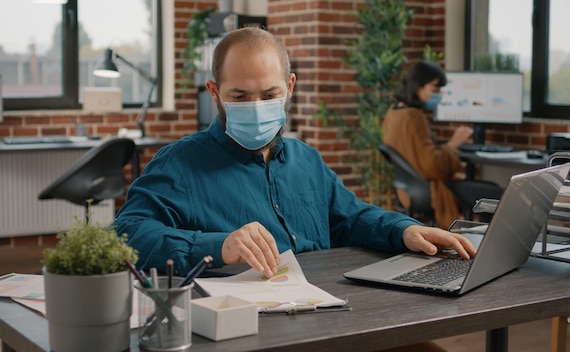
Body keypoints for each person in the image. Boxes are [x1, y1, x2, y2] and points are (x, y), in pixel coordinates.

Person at [113, 28, 476, 282]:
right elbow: (126, 235)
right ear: (214, 92)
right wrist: (218, 246)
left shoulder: (307, 160)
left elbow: (349, 218)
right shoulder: (179, 165)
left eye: (269, 94)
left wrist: (406, 229)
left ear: (289, 88)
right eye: (239, 97)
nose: (256, 107)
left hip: (333, 315)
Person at [382, 61, 504, 229]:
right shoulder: (413, 117)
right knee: (497, 195)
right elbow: (432, 166)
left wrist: (447, 149)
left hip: (410, 188)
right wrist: (452, 144)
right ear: (418, 88)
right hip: (429, 189)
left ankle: (482, 239)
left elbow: (419, 156)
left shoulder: (394, 112)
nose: (439, 94)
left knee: (489, 189)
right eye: (435, 89)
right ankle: (488, 244)